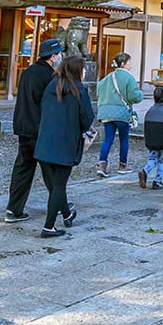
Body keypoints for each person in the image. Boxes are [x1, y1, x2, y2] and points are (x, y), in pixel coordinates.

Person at [34, 53, 94, 238]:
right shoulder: (79, 90)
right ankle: (48, 226)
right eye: (83, 69)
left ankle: (67, 214)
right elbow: (87, 118)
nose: (85, 72)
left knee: (54, 185)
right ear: (78, 70)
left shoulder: (53, 85)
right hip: (65, 143)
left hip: (44, 142)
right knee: (59, 185)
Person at [5, 38, 61, 223]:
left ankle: (14, 209)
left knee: (23, 169)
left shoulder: (28, 73)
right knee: (50, 169)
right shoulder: (51, 77)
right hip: (41, 129)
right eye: (58, 54)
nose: (60, 57)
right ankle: (61, 206)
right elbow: (51, 106)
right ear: (53, 56)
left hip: (24, 127)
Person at [94, 51, 144, 177]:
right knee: (124, 139)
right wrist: (140, 94)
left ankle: (102, 164)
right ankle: (122, 165)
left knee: (108, 139)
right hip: (121, 112)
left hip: (106, 112)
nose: (130, 66)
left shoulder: (107, 78)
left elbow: (98, 91)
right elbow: (135, 96)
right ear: (123, 64)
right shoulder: (129, 77)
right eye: (129, 63)